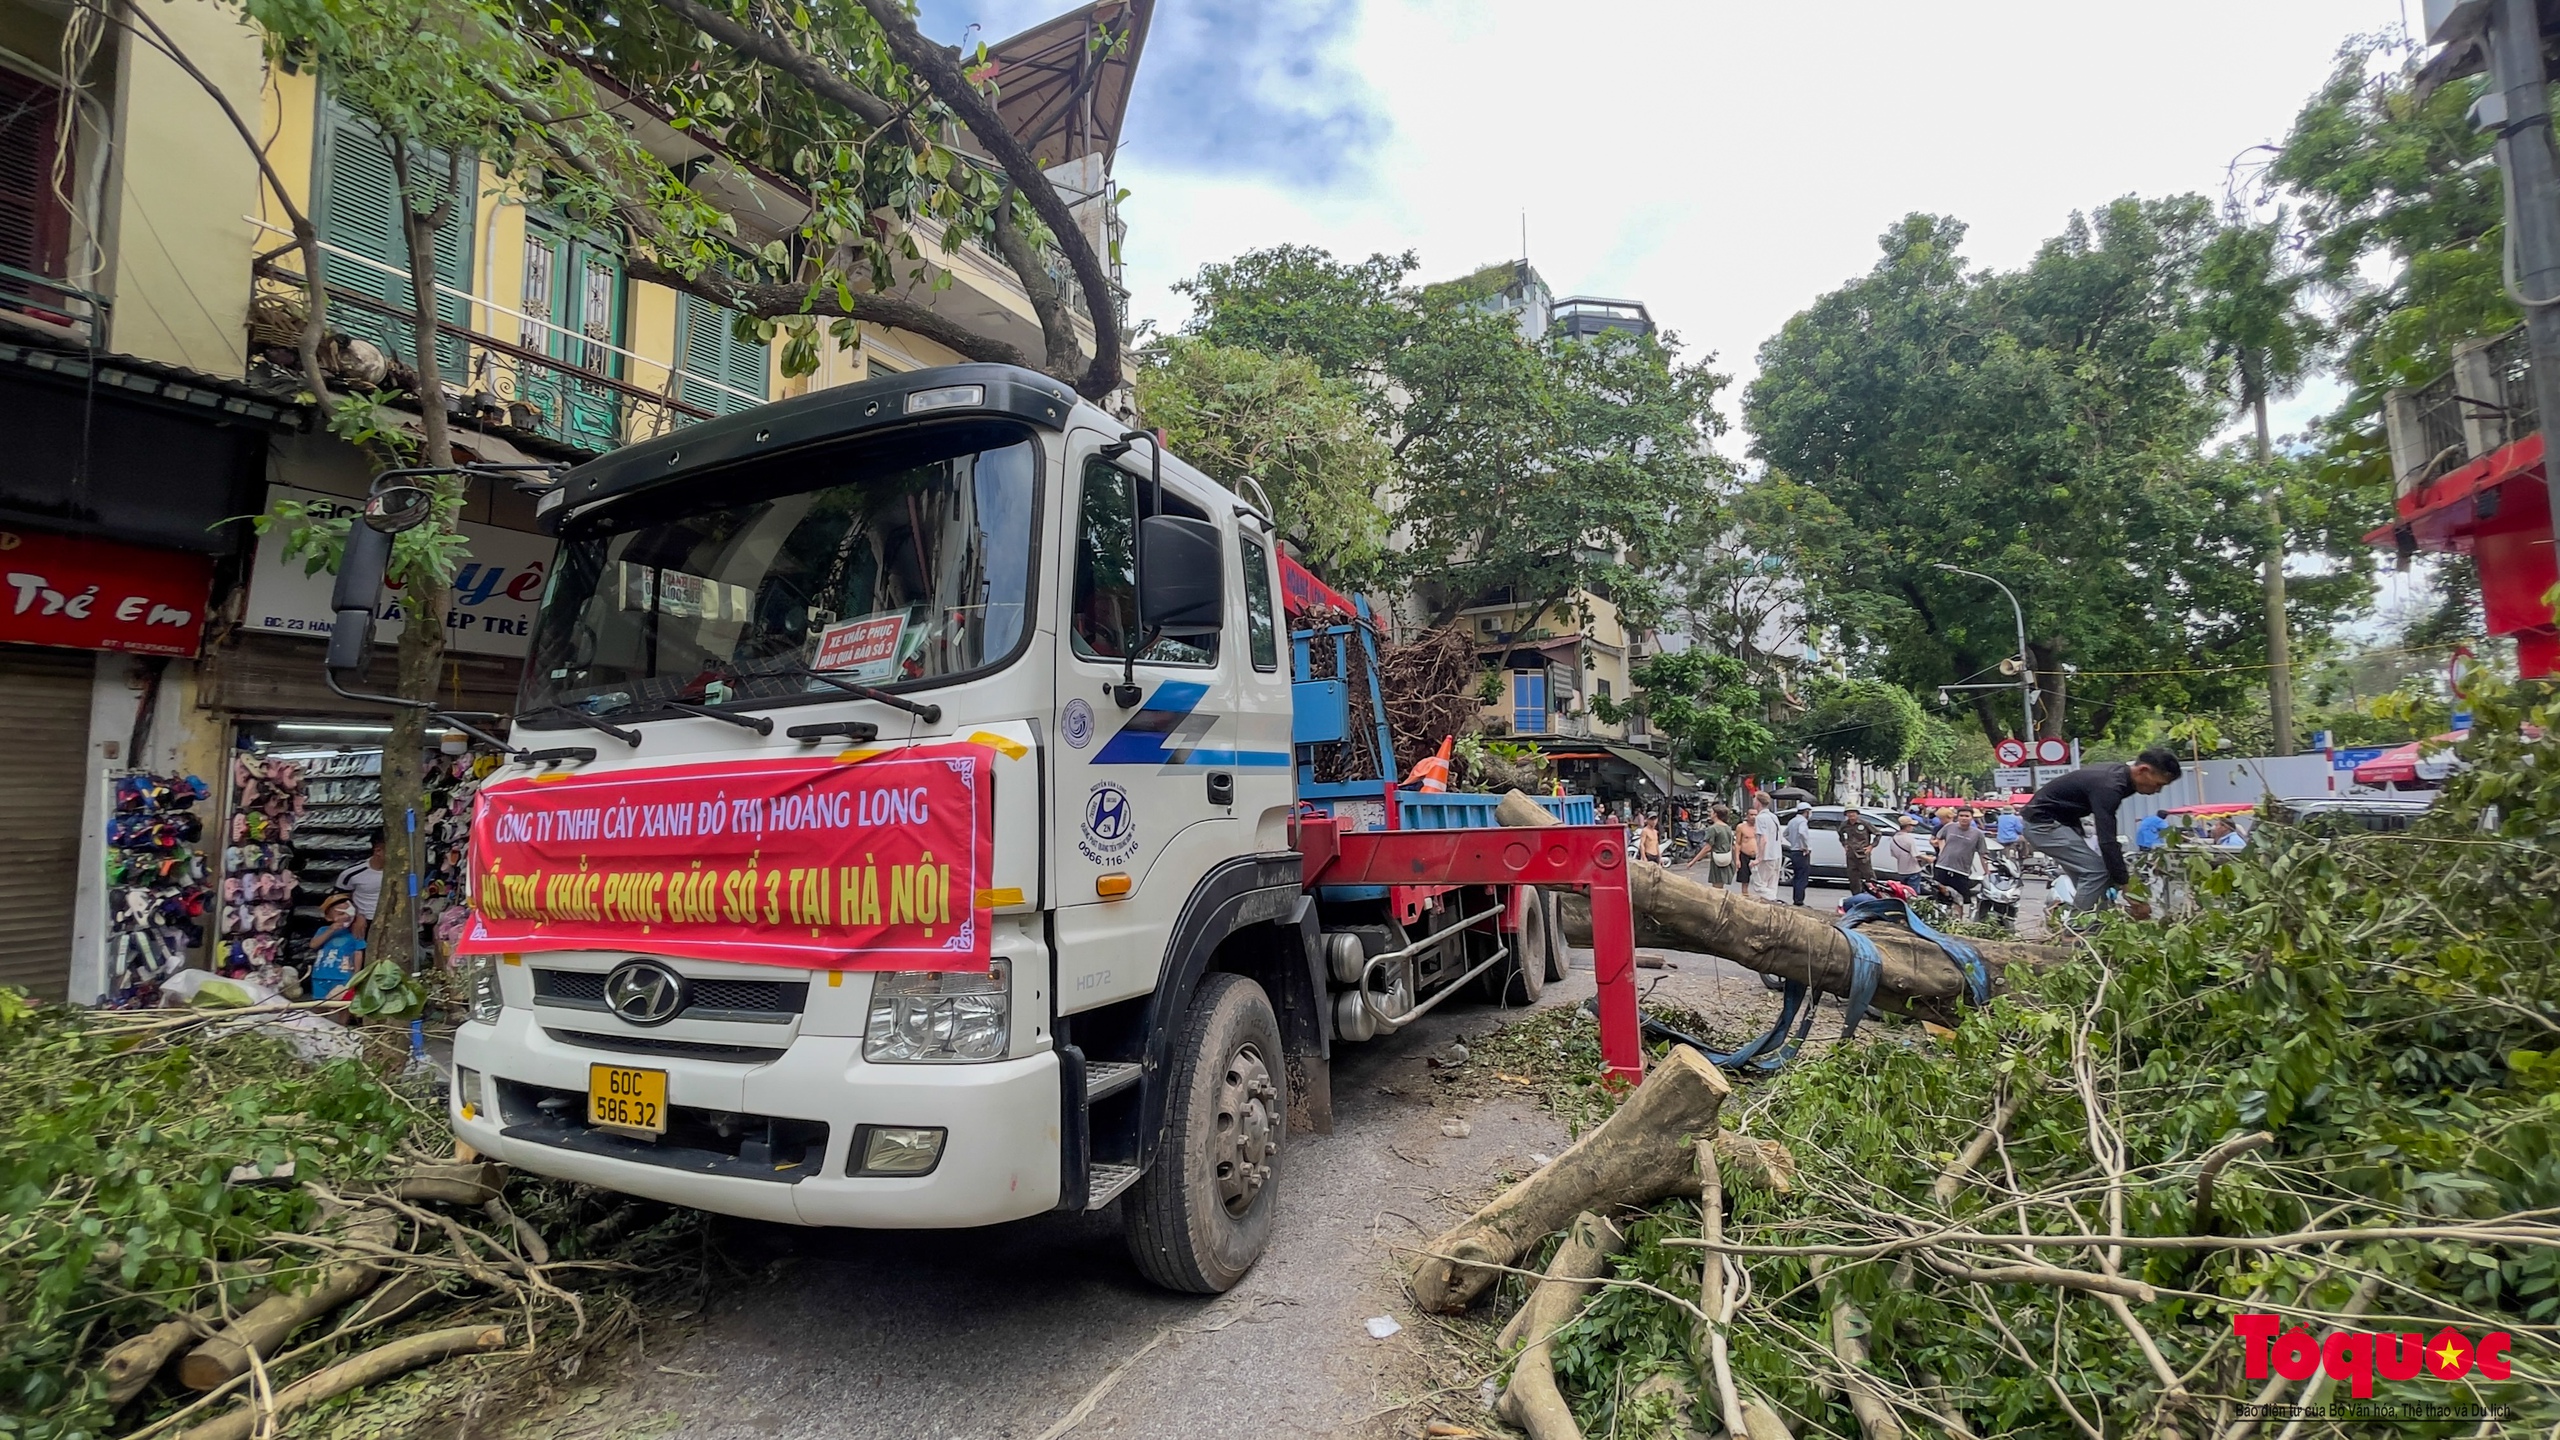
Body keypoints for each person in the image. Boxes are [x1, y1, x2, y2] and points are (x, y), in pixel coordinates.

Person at [2021, 747, 2183, 915]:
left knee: (2098, 880)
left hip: (2059, 824)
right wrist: (2127, 888)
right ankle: (2075, 930)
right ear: (2143, 770)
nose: (2157, 791)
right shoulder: (2110, 785)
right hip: (2043, 825)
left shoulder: (2120, 776)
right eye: (2158, 784)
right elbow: (2107, 840)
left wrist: (2121, 882)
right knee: (2096, 873)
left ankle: (2099, 926)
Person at [307, 893, 367, 1006]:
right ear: (329, 918)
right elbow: (313, 945)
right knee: (319, 1003)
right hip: (321, 975)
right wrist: (330, 930)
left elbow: (358, 952)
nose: (345, 916)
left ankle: (342, 1024)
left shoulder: (355, 932)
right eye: (340, 913)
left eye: (348, 912)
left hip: (343, 976)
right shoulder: (323, 930)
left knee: (343, 1004)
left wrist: (356, 973)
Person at [337, 832, 386, 941]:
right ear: (378, 851)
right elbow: (339, 900)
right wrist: (356, 915)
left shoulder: (404, 872)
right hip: (365, 922)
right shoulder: (352, 873)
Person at [1932, 811, 1988, 905]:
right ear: (1957, 817)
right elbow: (1938, 839)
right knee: (1940, 899)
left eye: (1967, 816)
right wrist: (1941, 850)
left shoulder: (1978, 834)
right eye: (1961, 816)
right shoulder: (1949, 827)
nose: (1964, 818)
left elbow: (1983, 854)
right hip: (1942, 867)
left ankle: (1958, 919)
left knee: (1960, 900)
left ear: (1972, 818)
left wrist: (1987, 871)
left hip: (1961, 871)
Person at [1751, 801, 1785, 902]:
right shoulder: (1773, 817)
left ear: (1758, 803)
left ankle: (1774, 899)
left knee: (1759, 885)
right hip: (1777, 854)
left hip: (1767, 856)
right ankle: (1770, 905)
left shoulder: (1760, 818)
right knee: (1772, 885)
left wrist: (1759, 858)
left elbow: (1763, 839)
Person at [1839, 805, 1876, 891]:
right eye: (1849, 813)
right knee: (1853, 877)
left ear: (1857, 813)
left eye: (1853, 812)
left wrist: (1871, 846)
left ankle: (1874, 894)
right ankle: (1856, 896)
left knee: (1869, 875)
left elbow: (1878, 834)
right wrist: (1844, 844)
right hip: (1851, 854)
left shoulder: (1865, 823)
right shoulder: (1844, 825)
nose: (1851, 815)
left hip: (1863, 853)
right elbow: (1840, 834)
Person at [1783, 804, 1813, 906]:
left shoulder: (1792, 821)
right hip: (1801, 852)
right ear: (1806, 812)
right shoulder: (1802, 821)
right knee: (1802, 877)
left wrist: (1793, 842)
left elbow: (1785, 834)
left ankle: (1796, 899)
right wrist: (1805, 846)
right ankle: (1799, 901)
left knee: (1797, 876)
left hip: (1794, 851)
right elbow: (1802, 833)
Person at [1701, 804, 1737, 889]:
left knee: (1716, 885)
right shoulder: (1728, 828)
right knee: (1720, 885)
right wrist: (1735, 861)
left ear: (1715, 814)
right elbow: (1733, 846)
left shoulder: (1713, 828)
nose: (1710, 813)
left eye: (1711, 812)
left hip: (1717, 859)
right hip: (1727, 858)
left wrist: (1693, 861)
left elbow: (1707, 848)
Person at [1736, 797, 1763, 890]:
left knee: (1760, 879)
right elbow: (1738, 843)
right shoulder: (1741, 827)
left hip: (1757, 855)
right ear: (1747, 815)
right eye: (1751, 814)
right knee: (1744, 879)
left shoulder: (1760, 827)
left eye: (1755, 815)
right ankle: (1744, 895)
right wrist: (1737, 859)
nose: (1753, 817)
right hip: (1745, 855)